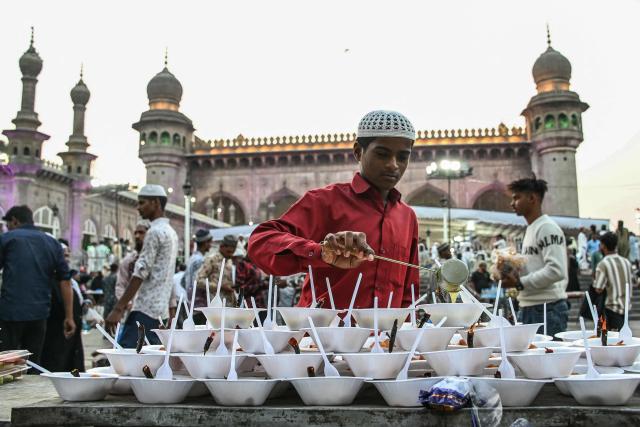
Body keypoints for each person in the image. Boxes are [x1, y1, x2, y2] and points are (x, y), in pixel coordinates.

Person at [248, 110, 419, 310]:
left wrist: (405, 334)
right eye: (382, 154)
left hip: (384, 339)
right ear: (358, 151)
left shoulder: (407, 217)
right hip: (321, 337)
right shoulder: (325, 202)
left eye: (402, 157)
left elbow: (409, 293)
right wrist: (321, 252)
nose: (393, 165)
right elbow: (259, 242)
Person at [0, 206, 76, 366]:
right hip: (39, 314)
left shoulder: (7, 239)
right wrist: (69, 317)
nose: (7, 228)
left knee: (7, 364)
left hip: (10, 313)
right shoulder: (52, 243)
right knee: (33, 363)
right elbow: (66, 281)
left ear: (14, 220)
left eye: (8, 224)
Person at [105, 185, 179, 347]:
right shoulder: (171, 233)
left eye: (142, 203)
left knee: (127, 361)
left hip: (145, 309)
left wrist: (118, 308)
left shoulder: (154, 232)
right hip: (160, 311)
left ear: (156, 203)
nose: (138, 208)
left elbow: (140, 271)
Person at [501, 178, 569, 337]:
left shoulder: (547, 228)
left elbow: (556, 270)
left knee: (545, 360)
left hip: (546, 309)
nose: (512, 203)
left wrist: (519, 283)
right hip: (530, 306)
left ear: (532, 198)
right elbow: (535, 266)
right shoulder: (532, 228)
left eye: (517, 198)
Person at [41, 242, 84, 373]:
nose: (65, 259)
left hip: (70, 336)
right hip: (55, 336)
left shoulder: (71, 281)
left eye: (67, 256)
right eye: (62, 255)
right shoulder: (50, 281)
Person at [592, 232, 635, 330]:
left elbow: (598, 288)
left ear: (603, 245)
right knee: (623, 340)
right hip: (626, 308)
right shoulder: (626, 262)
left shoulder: (603, 264)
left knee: (612, 341)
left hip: (612, 309)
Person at [195, 235, 237, 309]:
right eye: (229, 251)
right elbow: (198, 281)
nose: (231, 254)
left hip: (230, 305)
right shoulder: (211, 260)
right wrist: (220, 287)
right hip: (215, 306)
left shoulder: (229, 260)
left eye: (233, 252)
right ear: (221, 246)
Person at [183, 229, 214, 317]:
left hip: (191, 303)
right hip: (200, 306)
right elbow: (199, 283)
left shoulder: (192, 258)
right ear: (205, 243)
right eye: (210, 242)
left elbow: (183, 281)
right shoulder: (200, 260)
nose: (211, 245)